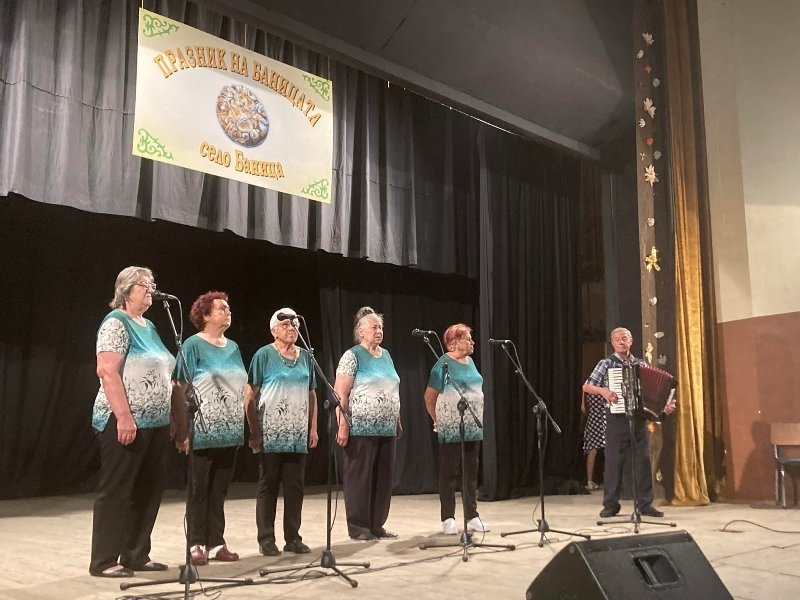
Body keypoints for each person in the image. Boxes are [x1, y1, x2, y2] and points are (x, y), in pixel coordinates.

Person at [89, 266, 175, 577]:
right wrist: (124, 417)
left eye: (152, 283)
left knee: (148, 491)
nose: (151, 288)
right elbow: (107, 370)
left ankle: (136, 554)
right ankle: (103, 561)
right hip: (125, 420)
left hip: (155, 423)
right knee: (117, 491)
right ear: (126, 289)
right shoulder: (116, 322)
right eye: (144, 284)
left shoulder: (148, 325)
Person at [172, 292, 246, 566]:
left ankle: (216, 543)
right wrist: (182, 430)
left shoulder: (233, 347)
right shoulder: (192, 345)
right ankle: (196, 543)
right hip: (202, 430)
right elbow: (179, 386)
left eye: (229, 308)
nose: (228, 311)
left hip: (230, 431)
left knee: (219, 491)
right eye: (221, 308)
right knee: (199, 489)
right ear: (205, 315)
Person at [245, 308, 319, 556]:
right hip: (270, 434)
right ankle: (266, 538)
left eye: (294, 324)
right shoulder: (263, 355)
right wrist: (254, 432)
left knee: (295, 488)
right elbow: (250, 396)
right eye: (285, 324)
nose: (291, 328)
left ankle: (293, 538)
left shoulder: (306, 357)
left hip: (297, 435)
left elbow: (312, 393)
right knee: (269, 486)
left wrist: (313, 427)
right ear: (273, 331)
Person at [582, 327, 675, 518]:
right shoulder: (606, 363)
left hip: (638, 419)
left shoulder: (641, 364)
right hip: (616, 419)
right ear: (612, 343)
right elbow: (587, 386)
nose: (621, 342)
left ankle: (644, 504)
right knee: (614, 463)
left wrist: (663, 408)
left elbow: (651, 396)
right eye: (617, 339)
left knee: (643, 462)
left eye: (624, 338)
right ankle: (610, 505)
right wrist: (604, 391)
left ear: (631, 341)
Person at [333, 306, 402, 541]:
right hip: (360, 428)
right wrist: (343, 425)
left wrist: (397, 420)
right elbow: (340, 394)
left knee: (383, 479)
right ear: (361, 332)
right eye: (374, 327)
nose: (379, 331)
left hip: (386, 428)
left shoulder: (387, 356)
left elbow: (392, 389)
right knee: (360, 479)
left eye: (381, 327)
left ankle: (376, 525)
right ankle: (358, 526)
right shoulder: (352, 356)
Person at [424, 324, 490, 535]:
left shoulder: (470, 362)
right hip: (451, 426)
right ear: (454, 342)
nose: (472, 342)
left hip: (473, 427)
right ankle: (448, 518)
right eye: (468, 339)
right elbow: (429, 397)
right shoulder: (442, 364)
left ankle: (472, 515)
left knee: (471, 472)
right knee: (449, 473)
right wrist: (438, 420)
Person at [581, 390, 606, 491]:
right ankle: (591, 480)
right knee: (600, 450)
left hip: (595, 418)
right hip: (601, 418)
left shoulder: (588, 387)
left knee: (593, 450)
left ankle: (590, 480)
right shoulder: (604, 385)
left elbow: (583, 408)